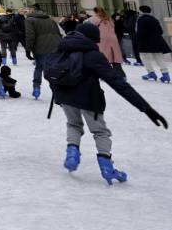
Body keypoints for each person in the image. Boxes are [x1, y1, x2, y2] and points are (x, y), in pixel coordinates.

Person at [46, 22, 167, 184]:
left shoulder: (60, 49)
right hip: (89, 99)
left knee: (73, 125)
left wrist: (58, 96)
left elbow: (50, 73)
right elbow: (118, 83)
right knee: (100, 132)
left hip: (65, 98)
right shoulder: (93, 55)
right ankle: (106, 166)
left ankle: (72, 154)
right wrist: (145, 108)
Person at [24, 4, 61, 100]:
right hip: (55, 47)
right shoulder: (50, 19)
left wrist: (28, 49)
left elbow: (30, 35)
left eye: (27, 9)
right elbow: (58, 33)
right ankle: (57, 91)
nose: (25, 11)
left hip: (41, 48)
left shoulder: (29, 20)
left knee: (40, 68)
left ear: (33, 10)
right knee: (53, 69)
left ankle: (38, 88)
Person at [135, 5, 171, 82]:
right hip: (157, 41)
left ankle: (151, 73)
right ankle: (165, 75)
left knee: (144, 57)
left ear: (141, 11)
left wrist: (137, 40)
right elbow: (161, 31)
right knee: (158, 57)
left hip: (145, 42)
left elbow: (140, 32)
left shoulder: (141, 20)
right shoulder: (155, 19)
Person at [89, 7, 125, 76]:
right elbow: (113, 26)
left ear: (95, 12)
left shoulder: (93, 19)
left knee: (104, 57)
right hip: (113, 39)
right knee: (115, 57)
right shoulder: (109, 18)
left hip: (102, 39)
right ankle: (120, 74)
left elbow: (89, 27)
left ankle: (106, 74)